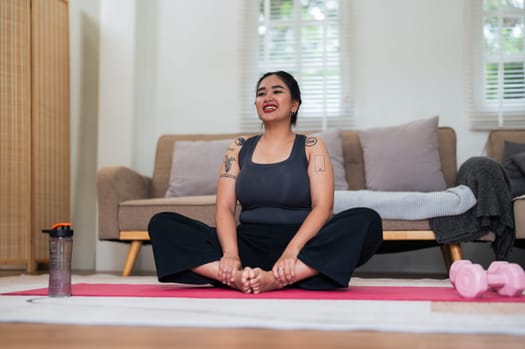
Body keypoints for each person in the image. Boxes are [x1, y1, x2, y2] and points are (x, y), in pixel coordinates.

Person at [148, 71, 383, 293]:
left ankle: (276, 279)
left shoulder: (312, 146)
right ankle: (236, 277)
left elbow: (323, 207)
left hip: (301, 248)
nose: (267, 97)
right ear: (257, 105)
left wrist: (291, 253)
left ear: (294, 104)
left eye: (277, 91)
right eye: (261, 93)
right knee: (162, 224)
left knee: (366, 220)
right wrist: (231, 254)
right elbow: (225, 207)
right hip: (247, 244)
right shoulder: (238, 147)